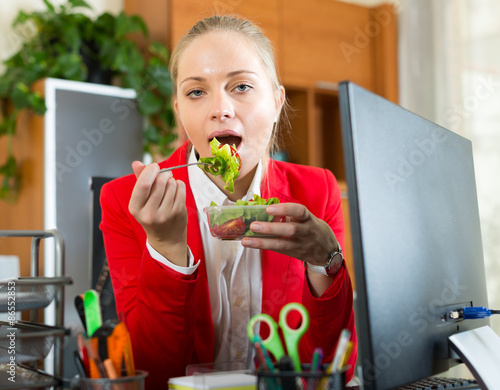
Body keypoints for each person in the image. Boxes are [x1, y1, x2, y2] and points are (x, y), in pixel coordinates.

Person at [100, 14, 357, 388]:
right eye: (196, 92)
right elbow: (152, 376)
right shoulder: (125, 199)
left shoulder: (317, 191)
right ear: (179, 111)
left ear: (276, 102)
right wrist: (166, 249)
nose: (220, 108)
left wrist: (325, 262)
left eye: (241, 86)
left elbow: (334, 372)